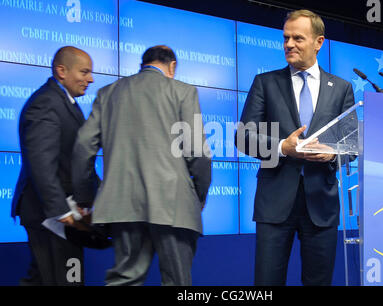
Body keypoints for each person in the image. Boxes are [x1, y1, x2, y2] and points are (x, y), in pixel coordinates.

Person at [71, 45, 211, 286]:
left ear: (142, 63)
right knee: (177, 282)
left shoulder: (108, 93)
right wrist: (198, 195)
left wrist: (85, 197)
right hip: (174, 206)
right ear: (172, 67)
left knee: (125, 279)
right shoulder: (183, 91)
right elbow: (197, 151)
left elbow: (83, 146)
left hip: (122, 205)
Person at [236, 10, 356, 286]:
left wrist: (334, 153)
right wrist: (281, 147)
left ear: (319, 42)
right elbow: (243, 137)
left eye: (298, 38)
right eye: (286, 38)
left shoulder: (341, 88)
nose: (289, 44)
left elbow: (351, 144)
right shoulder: (265, 83)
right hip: (274, 202)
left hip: (322, 205)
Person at [11, 46, 94, 285]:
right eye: (85, 72)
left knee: (43, 279)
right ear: (61, 71)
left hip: (62, 213)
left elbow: (75, 162)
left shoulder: (66, 103)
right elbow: (41, 164)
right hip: (50, 215)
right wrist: (62, 212)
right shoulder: (46, 103)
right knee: (65, 280)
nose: (91, 79)